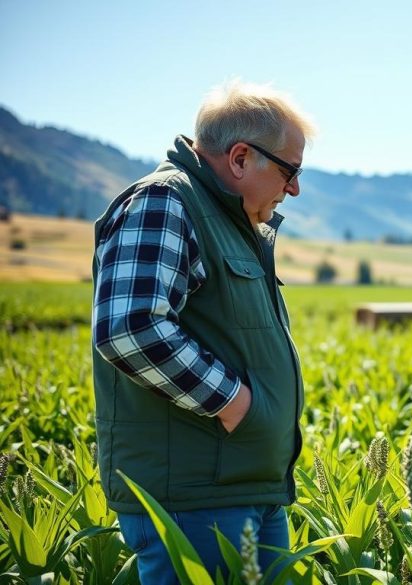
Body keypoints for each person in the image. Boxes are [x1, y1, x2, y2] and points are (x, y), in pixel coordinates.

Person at [92, 80, 315, 583]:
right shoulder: (163, 202)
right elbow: (130, 328)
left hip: (243, 485)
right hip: (197, 496)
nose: (294, 188)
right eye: (290, 170)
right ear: (240, 159)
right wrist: (237, 405)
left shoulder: (226, 219)